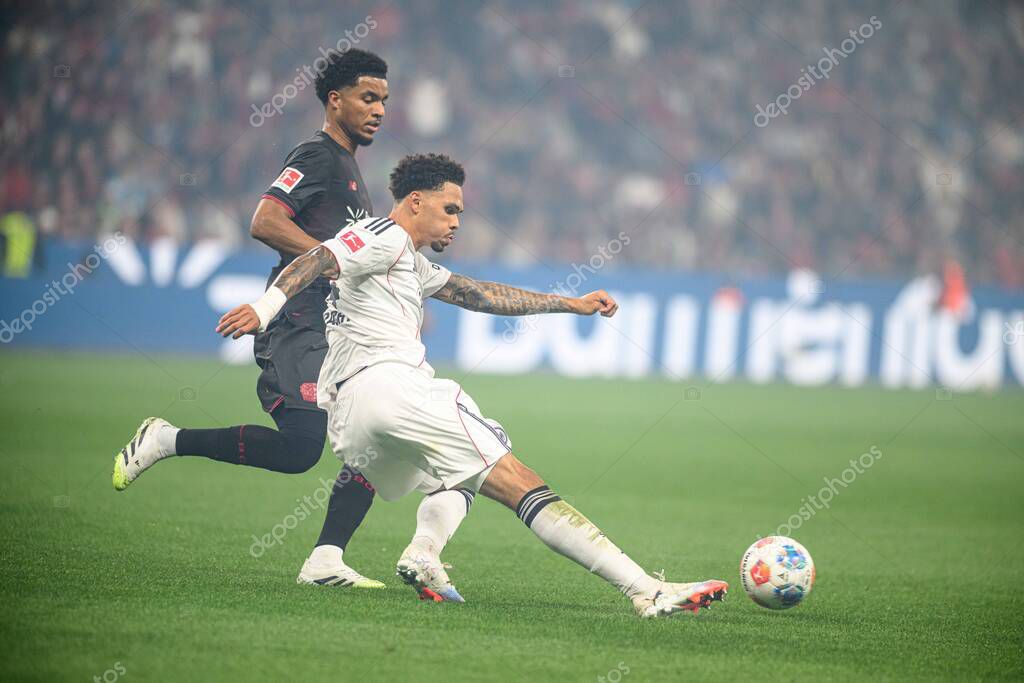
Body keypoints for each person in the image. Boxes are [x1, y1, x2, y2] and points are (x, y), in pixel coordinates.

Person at [213, 152, 728, 617]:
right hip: (393, 388)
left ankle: (422, 553)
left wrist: (567, 303)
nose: (457, 220)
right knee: (517, 479)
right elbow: (318, 258)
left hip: (353, 413)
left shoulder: (408, 259)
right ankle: (645, 589)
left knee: (460, 470)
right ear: (416, 202)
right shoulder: (381, 236)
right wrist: (265, 307)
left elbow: (477, 294)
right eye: (450, 209)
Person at [112, 49, 472, 592]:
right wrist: (334, 265)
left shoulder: (351, 170)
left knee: (374, 435)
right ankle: (166, 439)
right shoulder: (318, 155)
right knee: (302, 448)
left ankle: (326, 559)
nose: (379, 110)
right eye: (368, 98)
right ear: (335, 100)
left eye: (383, 100)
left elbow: (373, 261)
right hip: (297, 322)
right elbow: (265, 220)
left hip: (337, 332)